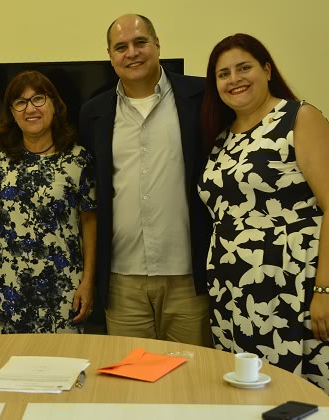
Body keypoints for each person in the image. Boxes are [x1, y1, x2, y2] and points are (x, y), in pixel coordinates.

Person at [197, 33, 329, 401]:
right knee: (254, 394)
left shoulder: (299, 117)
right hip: (241, 290)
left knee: (306, 396)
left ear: (266, 70)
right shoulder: (223, 137)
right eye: (223, 73)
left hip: (300, 284)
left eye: (243, 68)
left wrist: (325, 290)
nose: (234, 79)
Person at [79, 14, 212, 345]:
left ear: (157, 44)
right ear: (110, 55)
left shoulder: (201, 97)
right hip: (123, 279)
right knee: (132, 384)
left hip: (188, 274)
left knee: (190, 379)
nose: (132, 53)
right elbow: (92, 192)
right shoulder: (94, 113)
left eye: (140, 42)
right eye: (121, 47)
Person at [0, 70, 97, 334]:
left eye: (38, 99)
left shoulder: (78, 159)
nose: (30, 108)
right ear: (12, 112)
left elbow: (90, 224)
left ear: (54, 104)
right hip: (9, 289)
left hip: (62, 288)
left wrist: (88, 283)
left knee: (63, 368)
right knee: (8, 368)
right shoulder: (0, 157)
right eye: (20, 102)